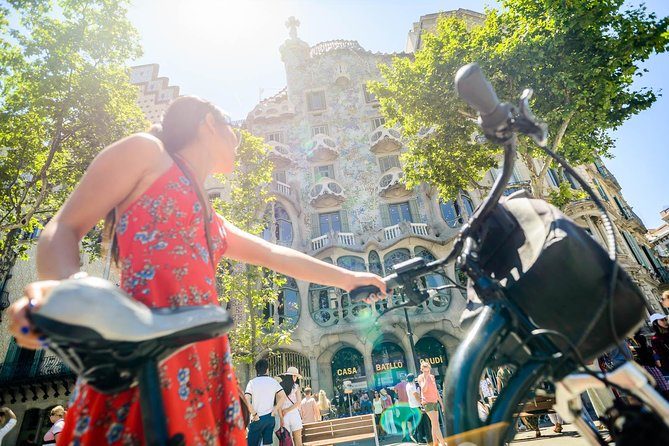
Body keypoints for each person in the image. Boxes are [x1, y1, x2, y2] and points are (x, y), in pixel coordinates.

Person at [6, 96, 387, 444]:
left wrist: (349, 278)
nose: (238, 141)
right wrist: (67, 292)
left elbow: (275, 254)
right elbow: (62, 228)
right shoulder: (147, 152)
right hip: (139, 345)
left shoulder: (211, 217)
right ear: (209, 123)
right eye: (232, 130)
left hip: (204, 357)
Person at [245, 358, 287, 446]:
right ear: (267, 369)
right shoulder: (273, 382)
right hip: (269, 418)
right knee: (268, 444)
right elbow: (283, 396)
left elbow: (246, 399)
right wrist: (274, 410)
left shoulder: (252, 383)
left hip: (256, 418)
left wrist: (254, 414)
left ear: (256, 370)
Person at [417, 360, 446, 446]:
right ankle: (443, 443)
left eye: (428, 370)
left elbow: (436, 391)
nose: (427, 372)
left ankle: (435, 443)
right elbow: (424, 389)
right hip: (427, 403)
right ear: (422, 370)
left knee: (434, 424)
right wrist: (425, 377)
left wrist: (442, 404)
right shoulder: (420, 377)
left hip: (434, 402)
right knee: (436, 425)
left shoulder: (432, 377)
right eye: (425, 371)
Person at [279, 367, 304, 446]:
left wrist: (281, 416)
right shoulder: (296, 386)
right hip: (294, 414)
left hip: (283, 416)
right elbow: (298, 402)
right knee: (298, 440)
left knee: (287, 441)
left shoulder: (280, 386)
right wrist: (288, 410)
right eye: (296, 376)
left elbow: (278, 404)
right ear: (293, 376)